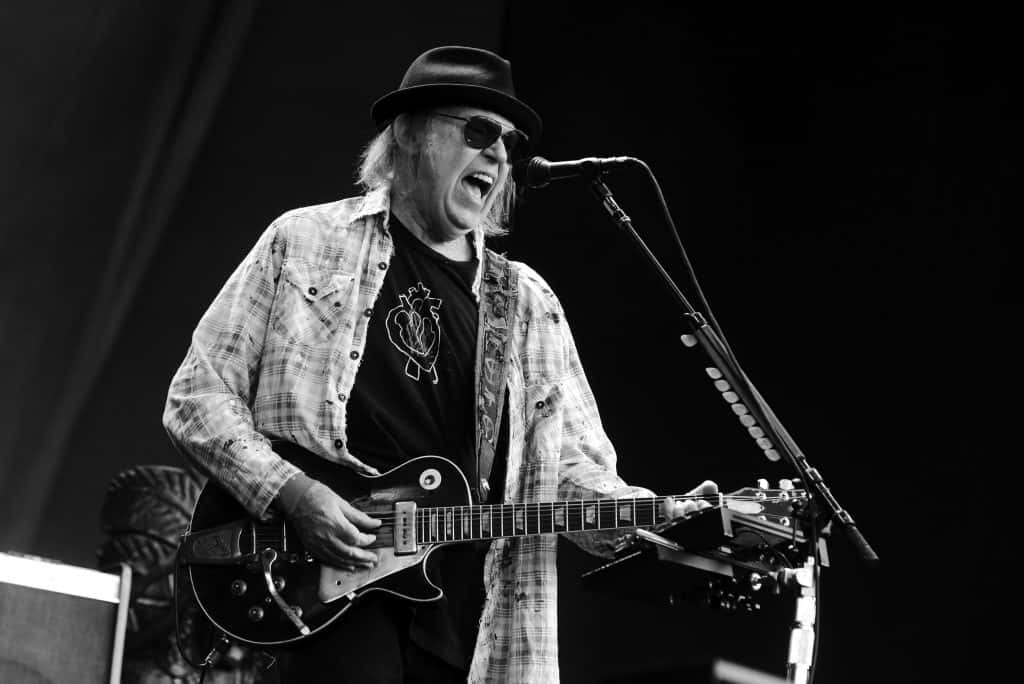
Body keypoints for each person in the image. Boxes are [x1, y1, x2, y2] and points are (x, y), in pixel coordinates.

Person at [163, 45, 718, 683]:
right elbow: (198, 397)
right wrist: (296, 494)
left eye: (509, 143)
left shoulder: (528, 303)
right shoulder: (304, 242)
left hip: (467, 619)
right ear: (409, 133)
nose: (501, 156)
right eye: (480, 131)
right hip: (322, 592)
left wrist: (665, 515)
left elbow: (570, 472)